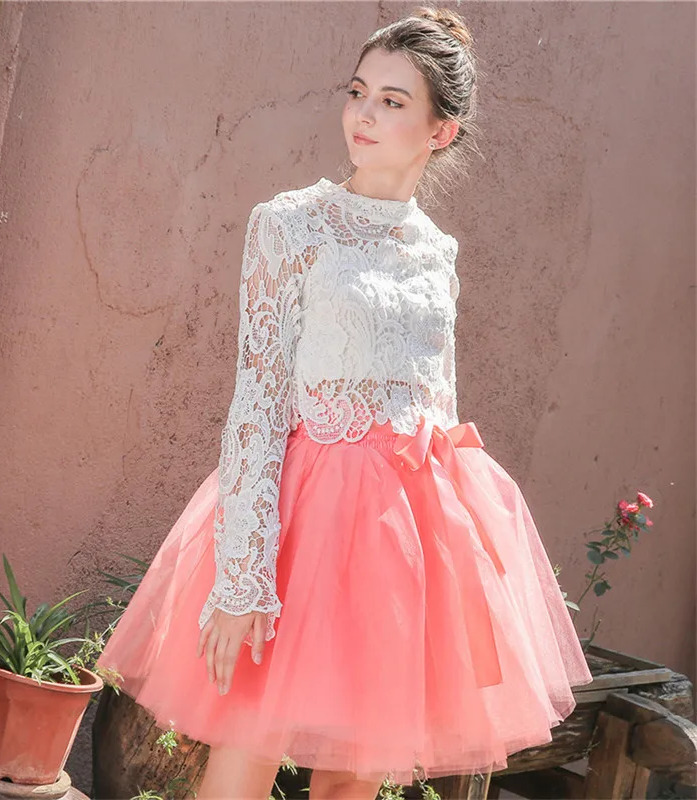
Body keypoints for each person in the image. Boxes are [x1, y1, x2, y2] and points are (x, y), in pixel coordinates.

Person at [95, 6, 593, 799]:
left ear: (441, 131)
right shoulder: (291, 226)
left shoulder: (438, 254)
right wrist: (243, 577)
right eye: (358, 92)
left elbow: (437, 401)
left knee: (352, 784)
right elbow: (258, 403)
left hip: (403, 544)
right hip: (307, 524)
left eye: (392, 101)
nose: (363, 114)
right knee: (244, 762)